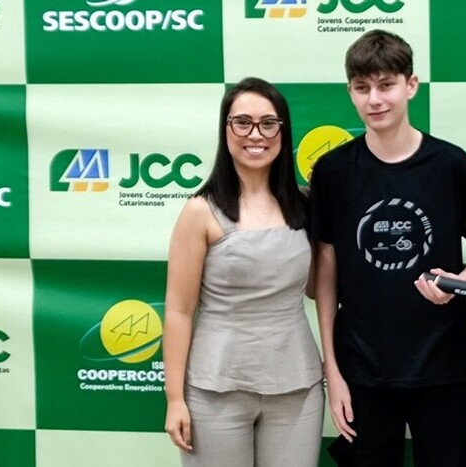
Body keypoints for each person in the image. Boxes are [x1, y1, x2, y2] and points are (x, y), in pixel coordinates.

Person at [308, 29, 466, 467]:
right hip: (361, 370)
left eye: (386, 85)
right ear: (350, 91)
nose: (374, 99)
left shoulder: (451, 165)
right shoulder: (332, 171)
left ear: (411, 85)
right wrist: (333, 371)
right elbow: (325, 272)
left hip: (443, 366)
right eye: (362, 87)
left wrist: (462, 281)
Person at [162, 77, 324, 467]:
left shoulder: (305, 205)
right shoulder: (200, 211)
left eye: (268, 123)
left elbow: (318, 288)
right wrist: (174, 399)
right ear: (226, 128)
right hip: (215, 389)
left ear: (283, 131)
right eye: (243, 122)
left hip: (297, 387)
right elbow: (179, 311)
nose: (256, 134)